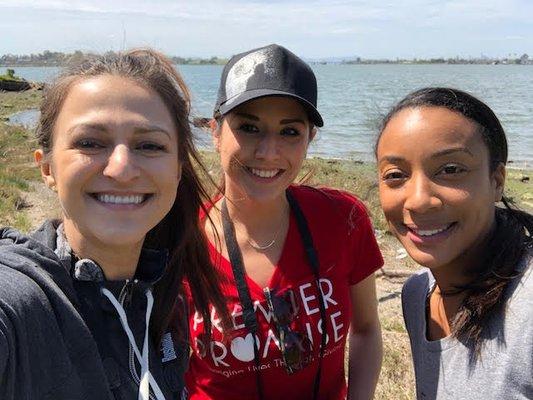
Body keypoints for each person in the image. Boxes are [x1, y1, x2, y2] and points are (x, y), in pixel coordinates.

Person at [0, 49, 228, 400]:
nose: (121, 169)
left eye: (149, 145)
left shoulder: (166, 300)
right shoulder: (22, 302)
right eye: (90, 143)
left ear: (178, 170)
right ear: (47, 168)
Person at [184, 44, 384, 400]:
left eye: (289, 132)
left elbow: (366, 329)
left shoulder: (343, 219)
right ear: (215, 132)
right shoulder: (183, 242)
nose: (268, 152)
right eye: (249, 127)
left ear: (310, 138)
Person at [376, 87, 533, 399]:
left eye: (450, 170)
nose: (419, 200)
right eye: (395, 175)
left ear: (497, 181)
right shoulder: (417, 293)